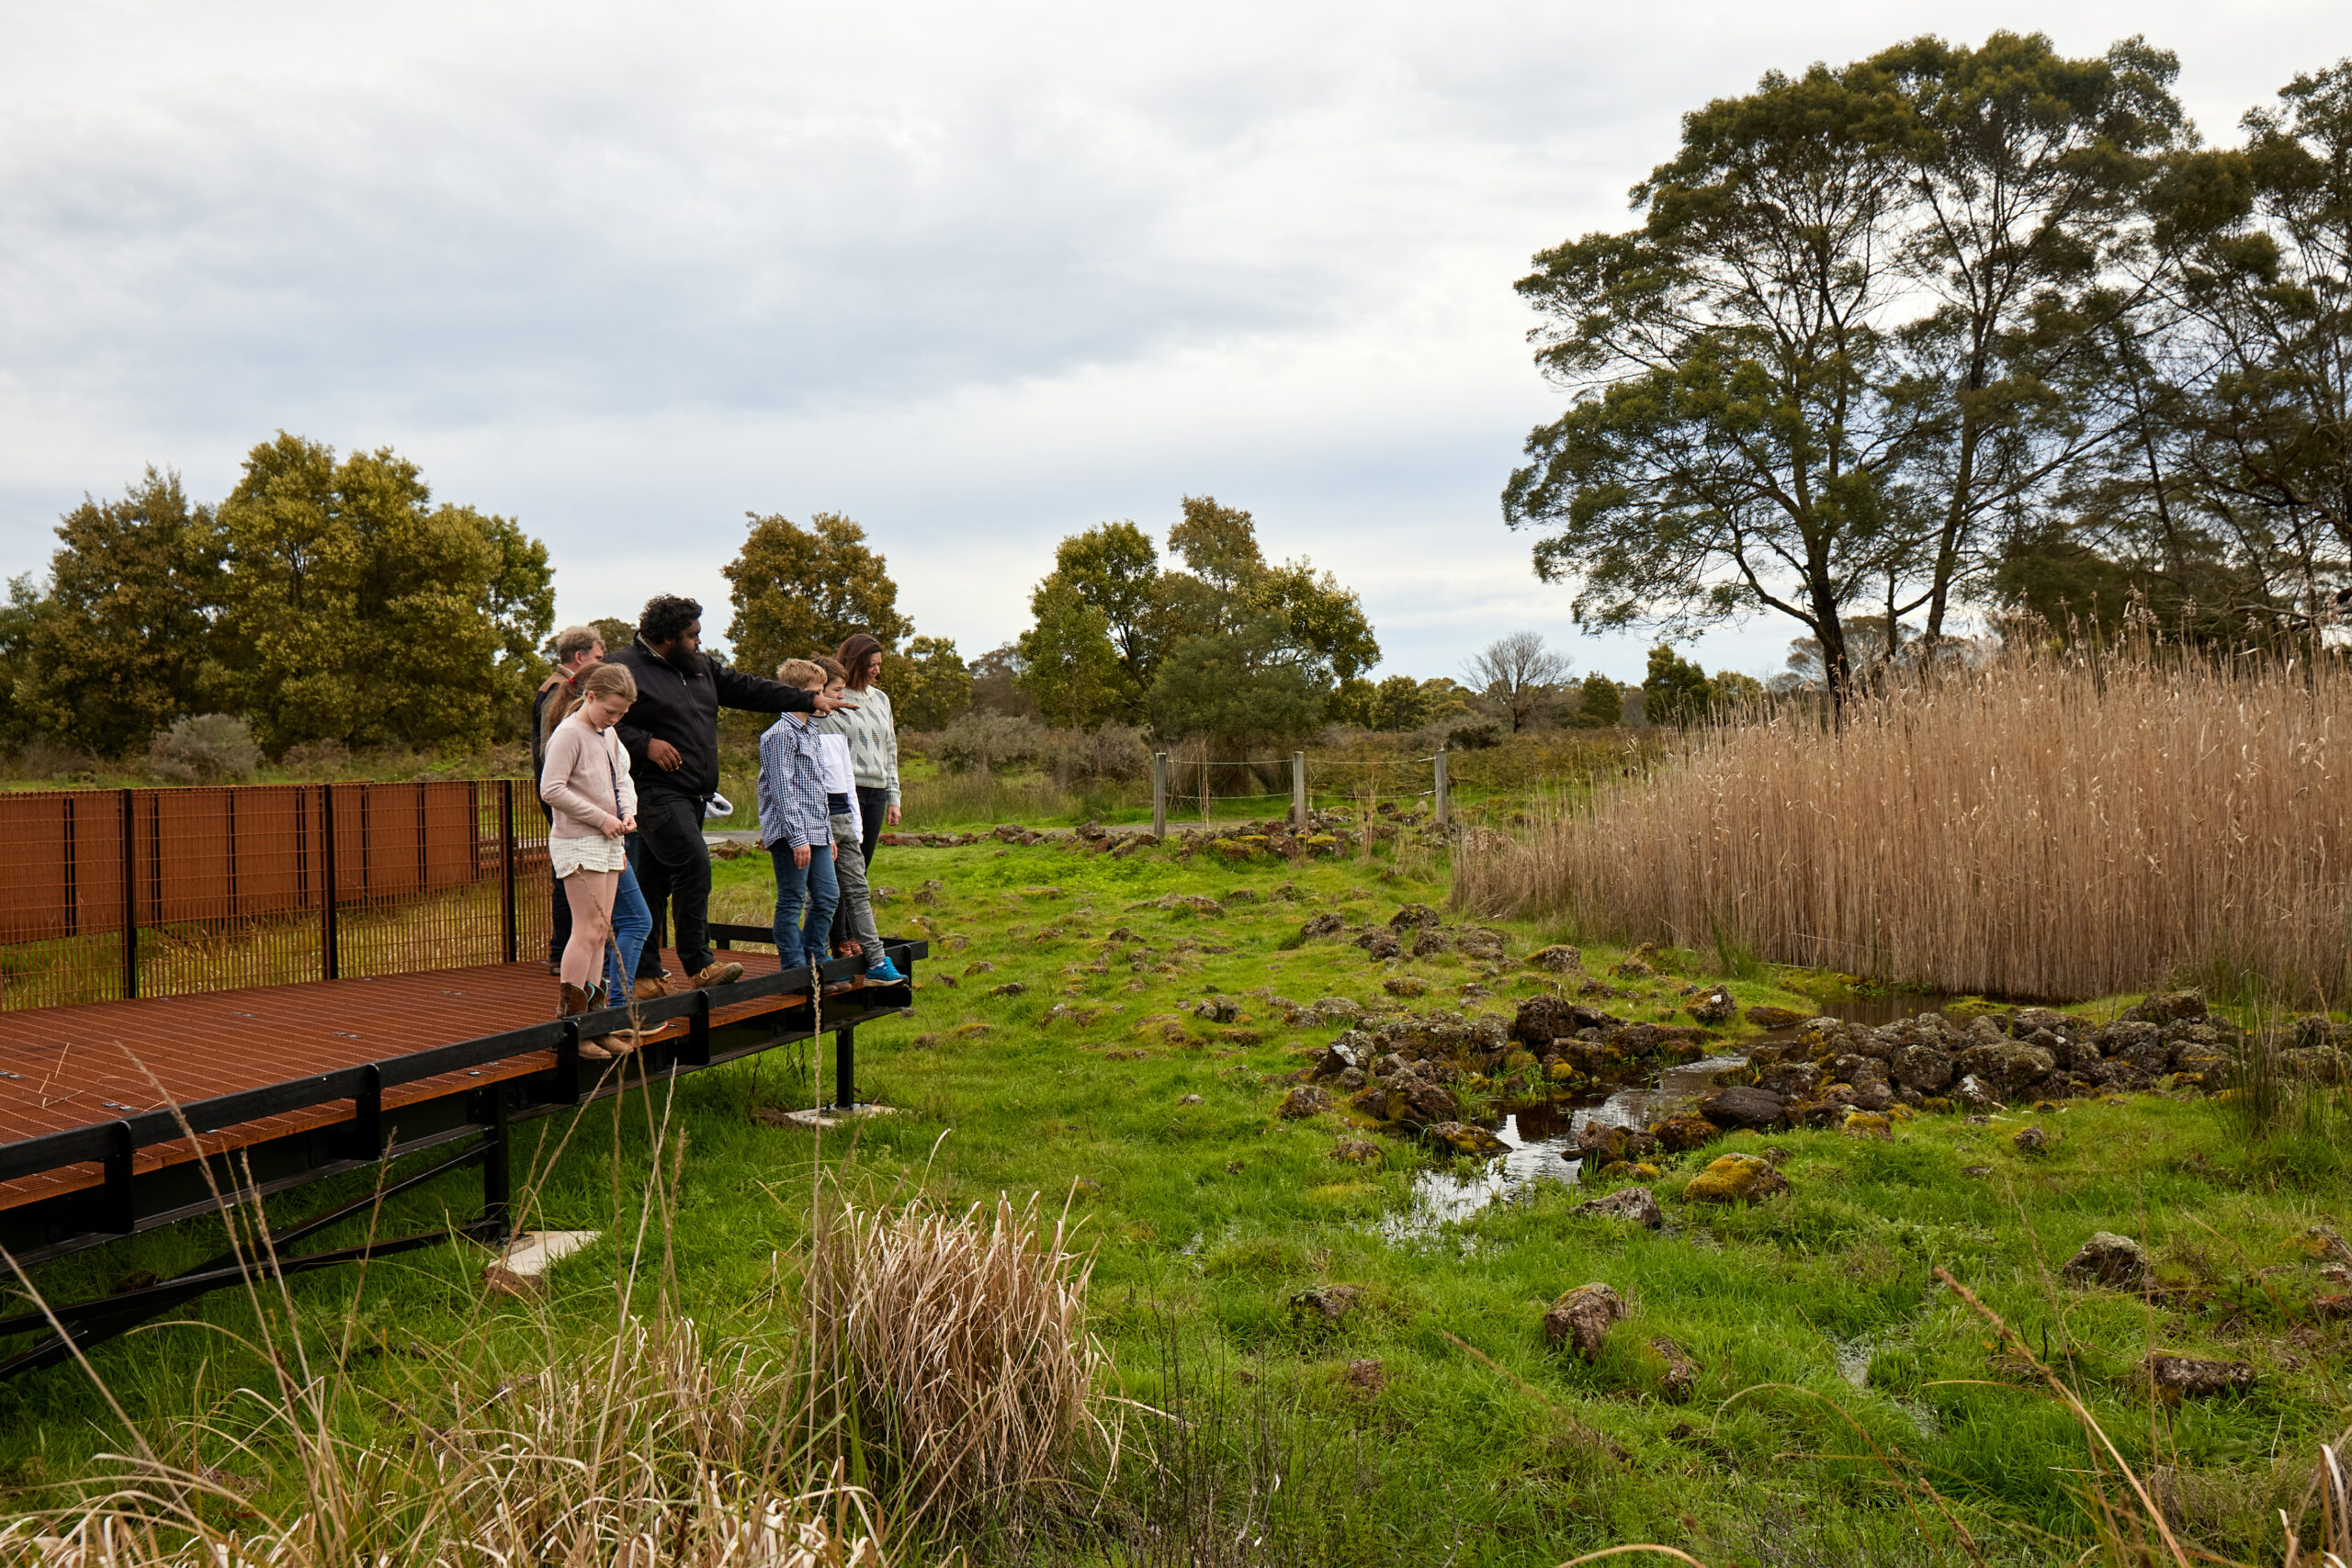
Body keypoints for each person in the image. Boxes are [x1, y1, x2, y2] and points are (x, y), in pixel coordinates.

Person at [610, 594, 852, 997]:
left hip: (693, 792)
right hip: (652, 789)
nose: (699, 642)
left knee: (654, 882)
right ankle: (699, 963)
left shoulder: (699, 667)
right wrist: (646, 743)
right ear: (668, 637)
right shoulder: (624, 668)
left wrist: (809, 698)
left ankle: (645, 975)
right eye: (692, 636)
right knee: (694, 863)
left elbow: (750, 690)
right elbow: (596, 718)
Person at [539, 661, 648, 1060]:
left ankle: (597, 1025)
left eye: (622, 713)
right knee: (586, 930)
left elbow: (623, 779)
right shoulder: (569, 734)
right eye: (611, 711)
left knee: (602, 931)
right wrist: (603, 818)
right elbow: (551, 789)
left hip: (608, 841)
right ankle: (571, 1029)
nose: (615, 719)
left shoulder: (609, 734)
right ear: (590, 696)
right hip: (579, 841)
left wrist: (629, 811)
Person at [811, 656, 907, 985]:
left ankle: (874, 959)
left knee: (857, 883)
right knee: (820, 891)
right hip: (821, 819)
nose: (842, 700)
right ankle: (820, 956)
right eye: (836, 692)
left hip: (851, 810)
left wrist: (888, 797)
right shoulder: (806, 727)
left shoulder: (877, 701)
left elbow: (883, 753)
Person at [531, 626, 605, 974]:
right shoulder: (560, 689)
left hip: (571, 795)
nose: (601, 665)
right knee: (571, 870)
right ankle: (563, 951)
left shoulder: (555, 686)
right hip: (567, 798)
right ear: (580, 658)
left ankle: (570, 950)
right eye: (598, 658)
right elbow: (553, 750)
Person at [758, 660, 837, 968]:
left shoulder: (811, 732)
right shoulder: (779, 734)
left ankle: (815, 958)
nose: (821, 699)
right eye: (816, 692)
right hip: (792, 834)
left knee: (828, 896)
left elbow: (817, 788)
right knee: (791, 900)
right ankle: (793, 968)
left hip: (817, 832)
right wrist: (797, 837)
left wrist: (827, 834)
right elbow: (782, 789)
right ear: (796, 694)